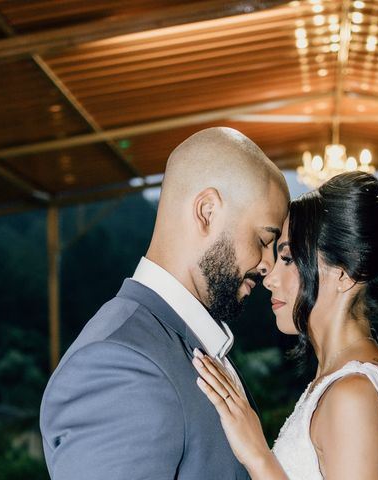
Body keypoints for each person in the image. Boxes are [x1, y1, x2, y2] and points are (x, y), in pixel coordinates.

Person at [39, 127, 290, 479]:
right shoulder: (118, 366)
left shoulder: (190, 343)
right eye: (264, 239)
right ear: (206, 211)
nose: (268, 264)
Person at [193, 171, 378, 479]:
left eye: (289, 258)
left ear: (345, 273)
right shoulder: (358, 383)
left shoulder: (353, 394)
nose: (270, 278)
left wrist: (258, 457)